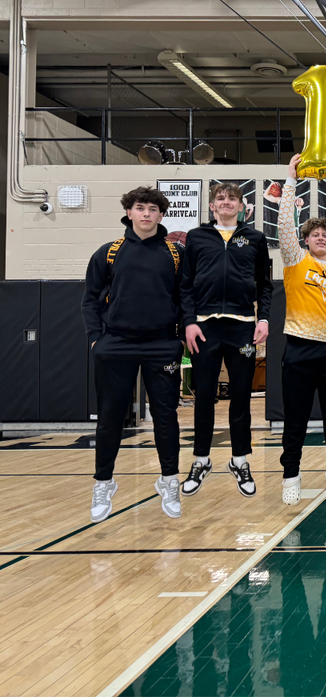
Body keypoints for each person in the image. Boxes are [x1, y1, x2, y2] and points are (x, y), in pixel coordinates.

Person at [82, 186, 185, 522]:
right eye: (140, 208)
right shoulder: (109, 252)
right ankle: (103, 482)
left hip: (162, 344)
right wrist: (96, 338)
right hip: (116, 344)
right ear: (129, 212)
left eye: (153, 209)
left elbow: (186, 299)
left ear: (161, 215)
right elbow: (89, 299)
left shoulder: (175, 254)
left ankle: (169, 480)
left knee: (166, 418)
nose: (146, 214)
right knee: (110, 418)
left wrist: (180, 338)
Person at [180, 181, 273, 499]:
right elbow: (185, 286)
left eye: (232, 198)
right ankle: (201, 460)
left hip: (243, 330)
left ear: (242, 205)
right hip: (205, 330)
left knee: (242, 397)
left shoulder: (256, 239)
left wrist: (263, 319)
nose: (226, 202)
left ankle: (240, 460)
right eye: (220, 198)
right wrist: (189, 323)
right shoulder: (196, 238)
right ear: (211, 206)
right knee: (203, 396)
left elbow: (265, 285)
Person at [277, 154, 326, 505]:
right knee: (295, 418)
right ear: (306, 241)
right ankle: (290, 476)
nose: (321, 238)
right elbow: (284, 227)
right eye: (315, 234)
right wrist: (291, 181)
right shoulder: (296, 261)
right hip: (299, 347)